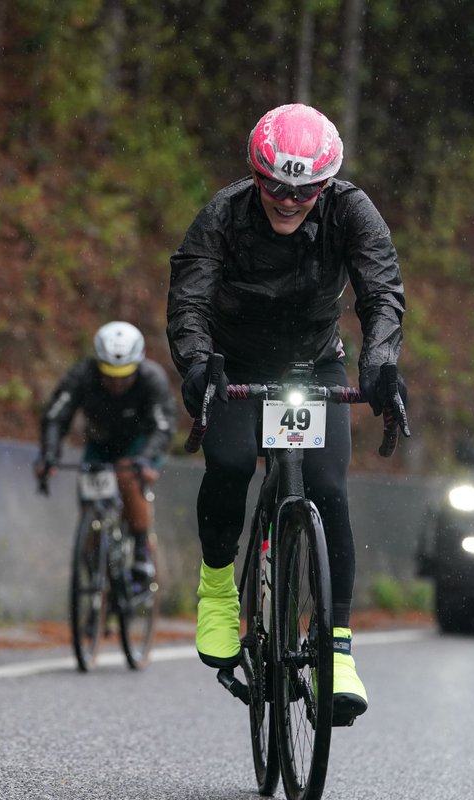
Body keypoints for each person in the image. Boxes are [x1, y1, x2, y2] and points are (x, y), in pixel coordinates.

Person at [166, 103, 409, 722]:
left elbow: (380, 290)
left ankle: (337, 650)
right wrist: (197, 366)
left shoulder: (352, 210)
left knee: (328, 488)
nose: (288, 198)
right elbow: (188, 297)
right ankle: (220, 591)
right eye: (274, 184)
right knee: (228, 463)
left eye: (305, 189)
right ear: (255, 174)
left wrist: (379, 362)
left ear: (326, 185)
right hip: (234, 363)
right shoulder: (222, 214)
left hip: (313, 363)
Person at [35, 321, 177, 579]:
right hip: (101, 443)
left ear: (139, 363)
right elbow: (56, 416)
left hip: (141, 442)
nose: (117, 380)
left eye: (125, 372)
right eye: (109, 371)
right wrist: (50, 454)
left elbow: (164, 425)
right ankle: (93, 550)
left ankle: (142, 549)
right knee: (89, 497)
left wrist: (145, 459)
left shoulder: (152, 378)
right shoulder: (82, 375)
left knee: (127, 476)